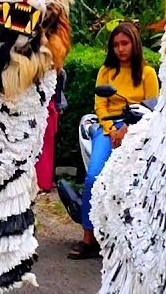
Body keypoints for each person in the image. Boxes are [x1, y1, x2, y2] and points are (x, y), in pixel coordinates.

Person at [68, 22, 159, 259]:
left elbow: (153, 106)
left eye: (125, 43)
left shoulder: (148, 74)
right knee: (94, 175)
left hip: (138, 129)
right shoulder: (106, 72)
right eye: (116, 44)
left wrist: (128, 128)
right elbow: (100, 105)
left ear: (134, 44)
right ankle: (88, 238)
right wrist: (111, 129)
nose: (120, 49)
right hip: (107, 128)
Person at [35, 67, 66, 192]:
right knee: (44, 147)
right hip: (45, 108)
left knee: (43, 147)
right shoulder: (57, 71)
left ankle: (41, 182)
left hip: (46, 109)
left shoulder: (56, 71)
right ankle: (43, 182)